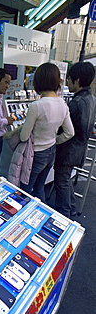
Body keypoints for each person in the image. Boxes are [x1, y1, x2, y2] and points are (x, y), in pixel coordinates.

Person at [18, 62, 75, 203]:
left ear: (38, 81)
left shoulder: (36, 106)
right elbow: (70, 132)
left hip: (35, 154)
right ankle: (39, 218)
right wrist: (55, 140)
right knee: (39, 189)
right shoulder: (63, 104)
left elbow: (24, 136)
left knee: (25, 190)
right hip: (51, 152)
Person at [54, 61, 96, 217]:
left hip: (68, 149)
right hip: (79, 149)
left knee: (61, 181)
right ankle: (71, 207)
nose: (67, 82)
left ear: (77, 80)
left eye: (69, 78)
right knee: (65, 180)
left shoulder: (77, 103)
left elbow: (64, 128)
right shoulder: (91, 98)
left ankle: (64, 213)